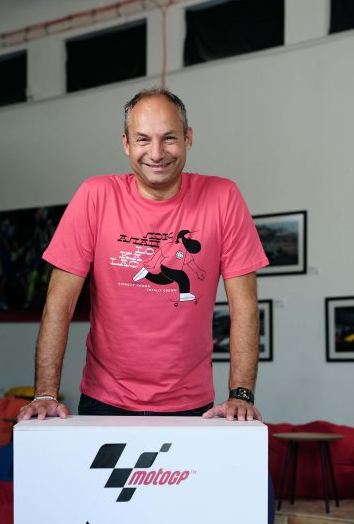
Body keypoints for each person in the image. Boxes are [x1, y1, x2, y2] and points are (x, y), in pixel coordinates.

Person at [18, 87, 269, 423]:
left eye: (169, 138)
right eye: (143, 139)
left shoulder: (223, 197)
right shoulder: (95, 196)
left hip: (192, 404)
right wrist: (45, 394)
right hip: (104, 400)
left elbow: (245, 307)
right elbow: (59, 305)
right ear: (126, 143)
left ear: (188, 138)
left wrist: (241, 394)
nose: (156, 152)